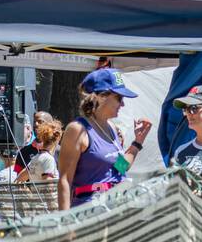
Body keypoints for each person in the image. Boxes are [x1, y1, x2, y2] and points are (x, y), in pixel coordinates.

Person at [57, 68, 153, 210]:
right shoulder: (77, 129)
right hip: (90, 213)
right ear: (101, 96)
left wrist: (137, 142)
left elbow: (120, 168)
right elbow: (65, 180)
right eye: (119, 98)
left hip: (117, 211)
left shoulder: (112, 128)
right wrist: (65, 225)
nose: (123, 104)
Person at [15, 116, 62, 184]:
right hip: (47, 194)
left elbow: (19, 178)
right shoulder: (48, 159)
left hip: (35, 194)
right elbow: (48, 184)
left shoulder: (35, 158)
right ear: (57, 139)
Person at [14, 110, 55, 176]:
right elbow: (19, 179)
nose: (36, 124)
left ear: (50, 125)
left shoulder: (60, 151)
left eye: (40, 122)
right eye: (34, 122)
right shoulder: (23, 152)